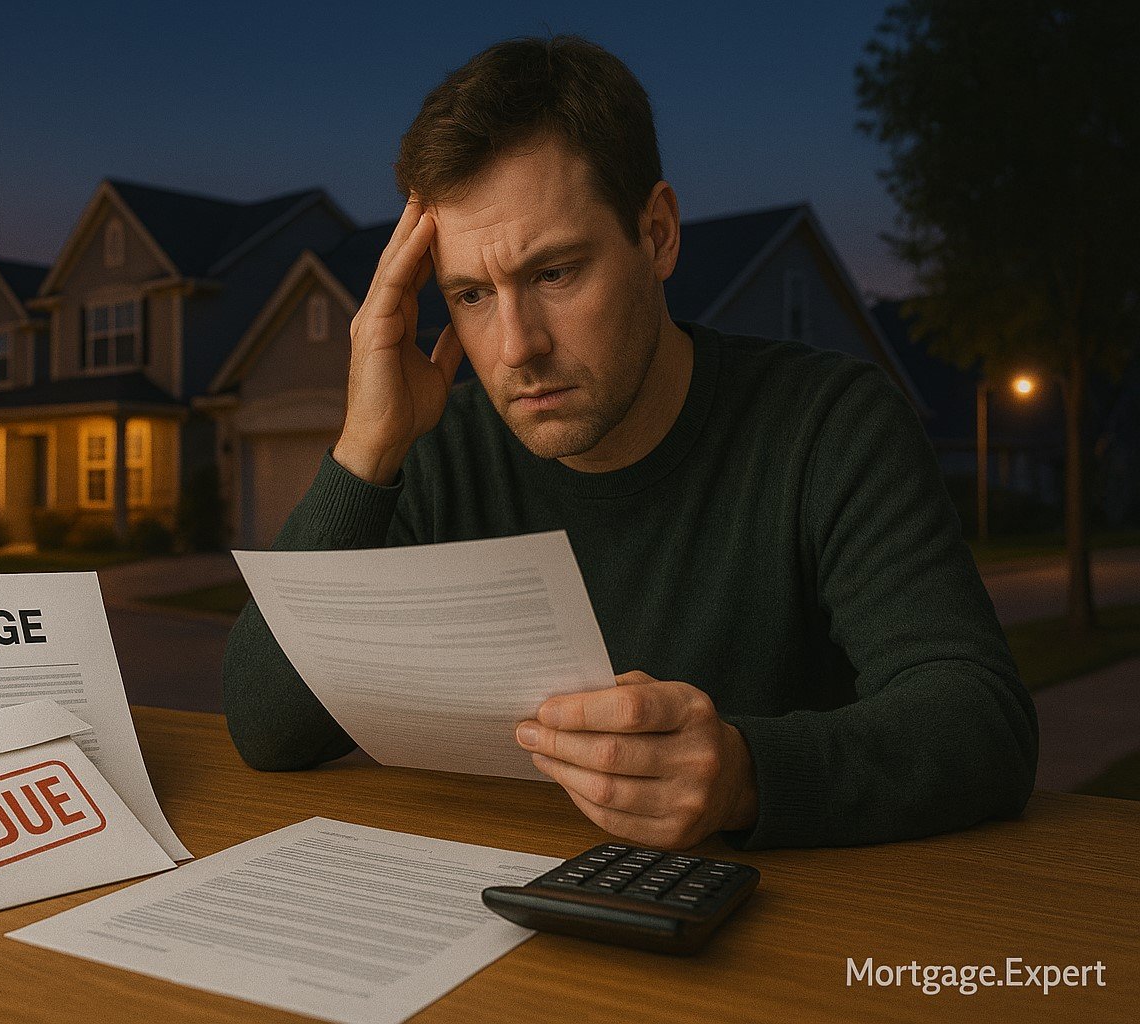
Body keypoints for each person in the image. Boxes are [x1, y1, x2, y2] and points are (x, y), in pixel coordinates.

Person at [221, 34, 1037, 851]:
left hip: (774, 935)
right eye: (471, 294)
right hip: (493, 924)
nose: (515, 347)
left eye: (554, 274)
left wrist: (747, 774)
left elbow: (979, 719)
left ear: (657, 235)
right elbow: (268, 727)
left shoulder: (830, 427)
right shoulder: (434, 455)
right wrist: (366, 450)